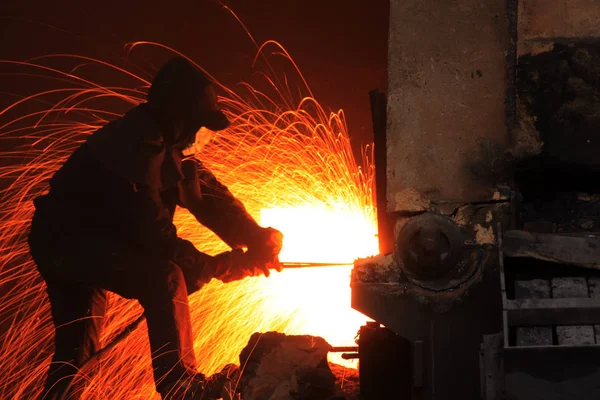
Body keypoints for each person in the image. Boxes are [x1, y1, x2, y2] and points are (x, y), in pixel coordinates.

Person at [28, 57, 284, 400]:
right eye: (201, 125)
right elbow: (157, 241)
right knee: (165, 278)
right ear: (178, 118)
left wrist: (255, 237)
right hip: (66, 245)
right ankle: (183, 389)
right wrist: (221, 266)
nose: (204, 136)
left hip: (80, 240)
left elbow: (209, 196)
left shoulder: (167, 144)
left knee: (79, 354)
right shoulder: (137, 149)